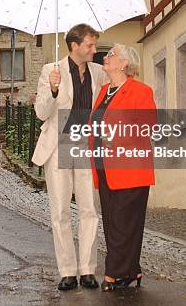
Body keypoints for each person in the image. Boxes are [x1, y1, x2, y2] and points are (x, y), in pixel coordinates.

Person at [32, 24, 106, 291]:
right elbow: (41, 113)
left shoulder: (98, 72)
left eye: (95, 45)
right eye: (89, 45)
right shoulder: (51, 71)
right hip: (60, 142)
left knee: (88, 209)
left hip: (86, 143)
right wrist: (52, 90)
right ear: (74, 45)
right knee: (60, 211)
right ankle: (67, 271)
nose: (94, 50)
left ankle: (87, 269)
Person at [89, 44, 156, 291]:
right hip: (104, 165)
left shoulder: (141, 91)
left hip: (131, 167)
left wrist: (115, 134)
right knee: (113, 222)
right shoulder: (104, 91)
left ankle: (115, 273)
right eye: (107, 55)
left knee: (126, 222)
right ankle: (131, 271)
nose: (105, 58)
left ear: (124, 63)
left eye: (111, 55)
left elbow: (147, 127)